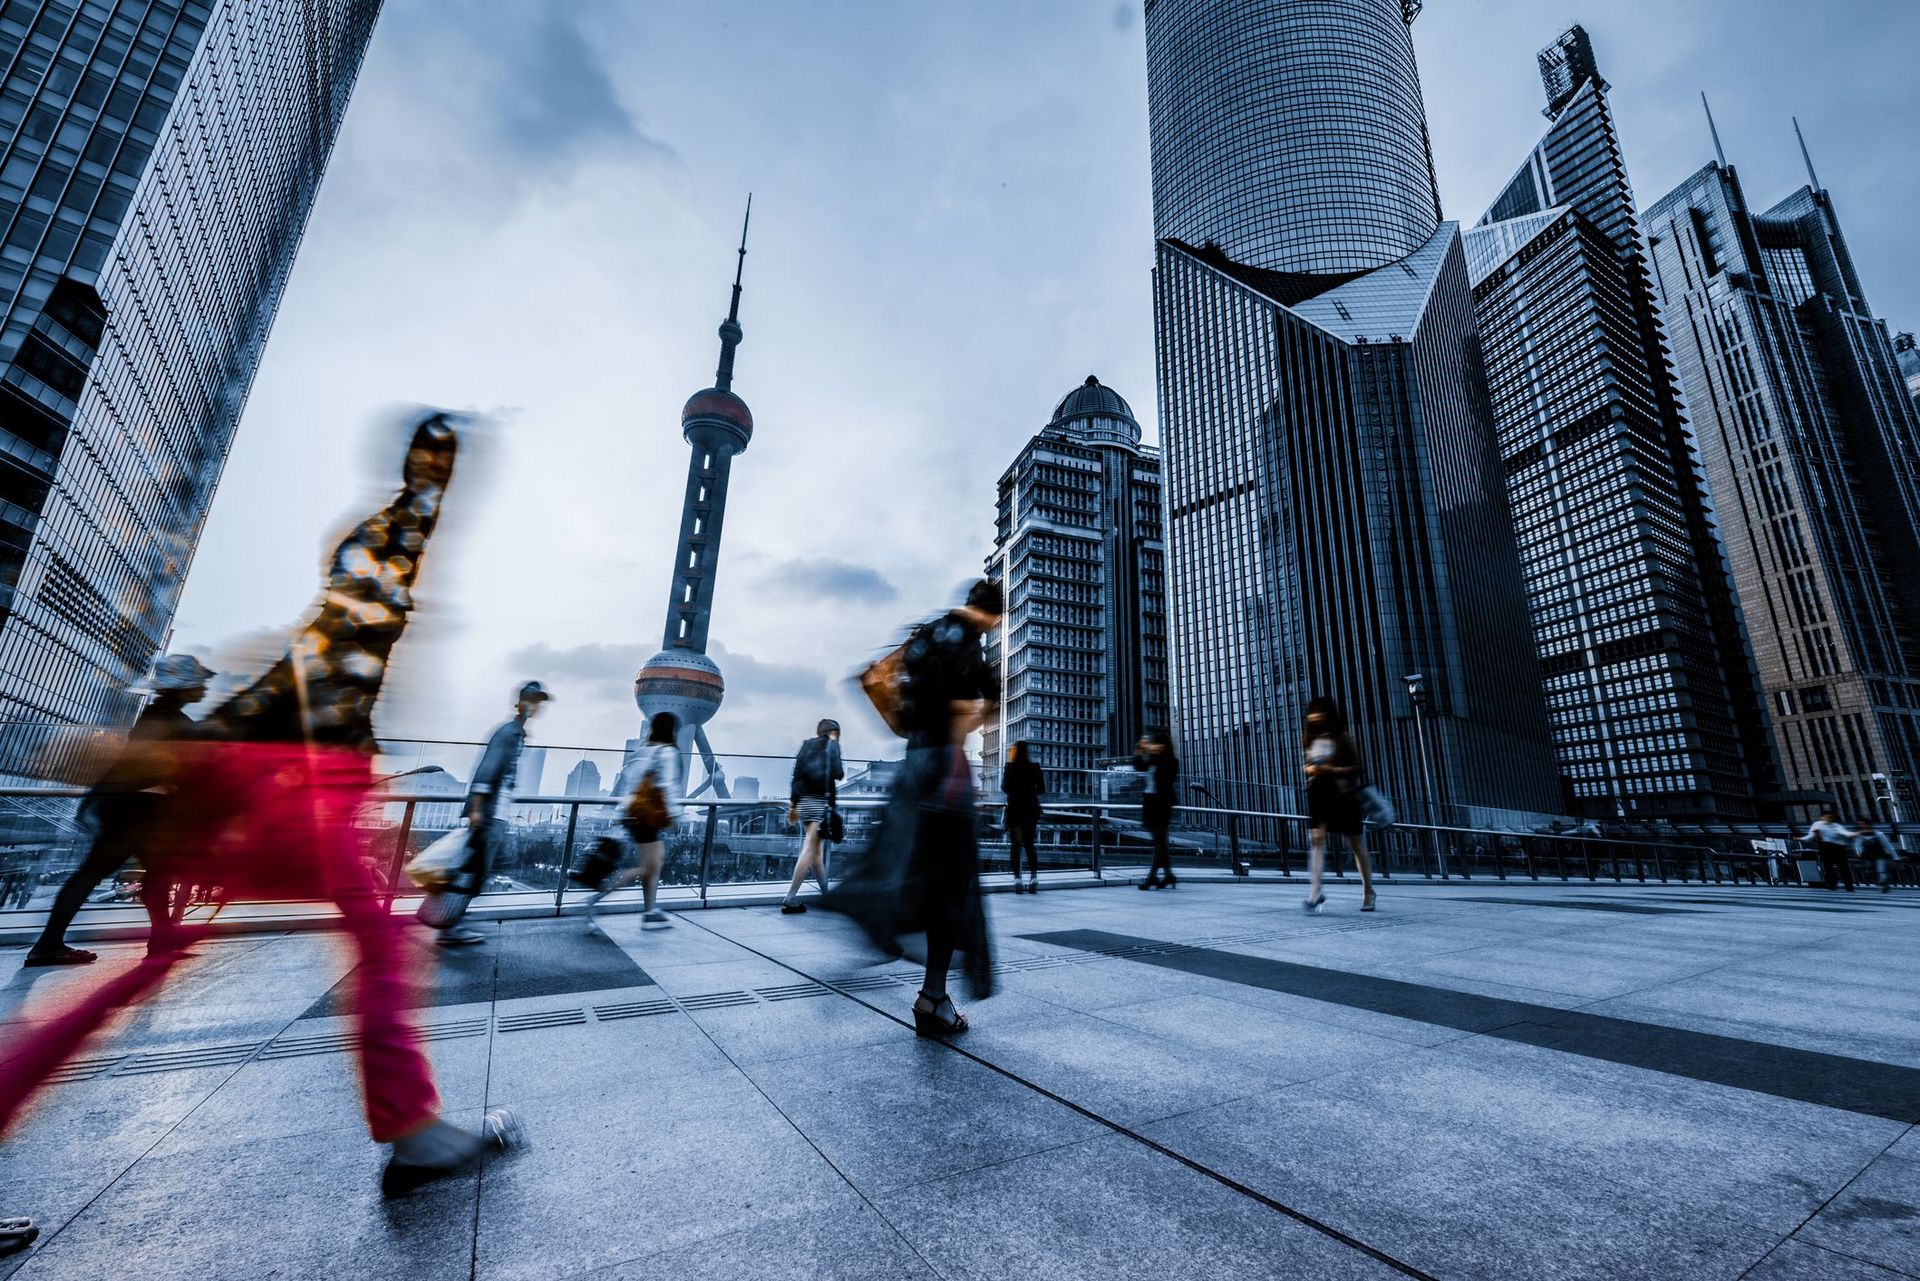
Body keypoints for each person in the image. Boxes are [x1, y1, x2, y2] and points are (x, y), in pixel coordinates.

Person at [0, 411, 521, 1197]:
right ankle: (414, 1130)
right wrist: (428, 484)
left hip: (280, 784)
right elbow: (351, 614)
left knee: (154, 970)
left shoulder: (332, 615)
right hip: (306, 792)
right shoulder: (361, 607)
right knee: (377, 947)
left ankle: (414, 1127)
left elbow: (274, 683)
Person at [833, 578, 1002, 1036]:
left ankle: (880, 929)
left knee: (905, 867)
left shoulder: (926, 634)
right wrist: (965, 733)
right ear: (994, 615)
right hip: (945, 770)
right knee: (950, 888)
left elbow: (881, 684)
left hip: (913, 768)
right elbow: (973, 705)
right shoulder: (969, 645)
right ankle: (933, 996)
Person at [22, 654, 213, 967]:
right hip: (136, 807)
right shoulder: (169, 721)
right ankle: (50, 944)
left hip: (129, 805)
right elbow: (176, 767)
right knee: (111, 872)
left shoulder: (161, 716)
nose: (204, 687)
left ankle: (159, 938)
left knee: (144, 871)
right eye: (199, 682)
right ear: (184, 686)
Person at [426, 681, 551, 947]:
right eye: (534, 701)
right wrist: (476, 809)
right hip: (490, 814)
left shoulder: (517, 733)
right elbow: (488, 769)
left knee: (480, 868)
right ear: (523, 703)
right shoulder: (509, 733)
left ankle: (451, 920)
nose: (537, 707)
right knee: (474, 870)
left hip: (497, 814)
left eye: (539, 702)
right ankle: (449, 924)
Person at [586, 711, 681, 927]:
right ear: (671, 731)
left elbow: (627, 783)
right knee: (649, 867)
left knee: (653, 864)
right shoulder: (666, 752)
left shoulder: (640, 752)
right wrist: (674, 815)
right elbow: (666, 786)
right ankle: (595, 900)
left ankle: (649, 911)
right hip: (649, 818)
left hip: (632, 814)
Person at [1301, 696, 1376, 913]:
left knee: (1355, 843)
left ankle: (1368, 891)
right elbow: (1307, 765)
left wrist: (1330, 770)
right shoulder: (1308, 737)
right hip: (1317, 792)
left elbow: (1357, 769)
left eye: (1320, 712)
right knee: (1316, 839)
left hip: (1344, 794)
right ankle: (1315, 892)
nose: (1315, 716)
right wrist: (1311, 769)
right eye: (1312, 712)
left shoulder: (1343, 738)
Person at [781, 719, 844, 914]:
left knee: (816, 853)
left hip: (802, 803)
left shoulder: (806, 745)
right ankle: (790, 897)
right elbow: (838, 773)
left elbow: (796, 776)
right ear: (832, 732)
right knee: (810, 848)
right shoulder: (832, 746)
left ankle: (827, 896)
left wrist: (793, 805)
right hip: (819, 802)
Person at [1134, 729, 1179, 890]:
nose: (1153, 746)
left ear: (1164, 745)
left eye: (1156, 743)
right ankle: (1168, 875)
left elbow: (1166, 781)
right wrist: (1140, 748)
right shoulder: (1153, 759)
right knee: (1160, 843)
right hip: (1150, 803)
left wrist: (1152, 754)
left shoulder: (1170, 762)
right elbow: (1138, 765)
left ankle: (1152, 876)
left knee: (1159, 842)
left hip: (1162, 804)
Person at [1002, 740, 1044, 894]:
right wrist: (1030, 791)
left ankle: (1017, 879)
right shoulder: (1034, 767)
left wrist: (1016, 791)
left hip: (1015, 809)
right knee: (1029, 844)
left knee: (1016, 845)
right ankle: (1033, 878)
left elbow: (1005, 787)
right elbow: (1042, 789)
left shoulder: (1009, 767)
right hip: (1030, 809)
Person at [1804, 810, 1856, 892]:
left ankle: (1848, 885)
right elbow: (1811, 835)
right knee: (1828, 866)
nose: (1828, 819)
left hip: (1838, 847)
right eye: (1826, 817)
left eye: (1830, 817)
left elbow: (1844, 833)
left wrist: (1852, 834)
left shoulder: (1835, 826)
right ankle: (1832, 884)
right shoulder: (1817, 824)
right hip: (1825, 847)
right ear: (1822, 817)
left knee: (1843, 866)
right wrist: (1802, 839)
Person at [1855, 821, 1899, 893]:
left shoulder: (1878, 834)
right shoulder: (1860, 835)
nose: (1862, 826)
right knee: (1876, 871)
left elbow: (1887, 845)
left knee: (1881, 870)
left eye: (1864, 824)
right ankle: (1884, 882)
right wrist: (1859, 853)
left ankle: (1884, 885)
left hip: (1880, 855)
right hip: (1868, 857)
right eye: (1860, 824)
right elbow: (1857, 845)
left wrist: (1895, 857)